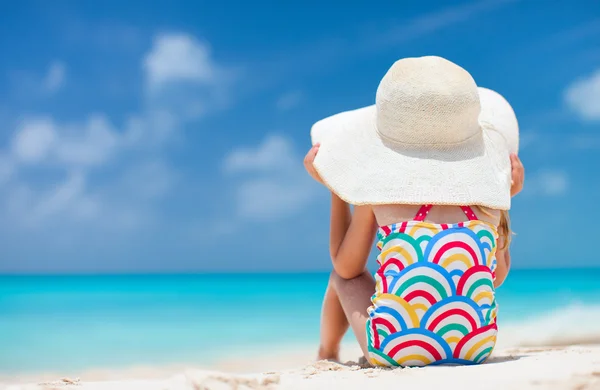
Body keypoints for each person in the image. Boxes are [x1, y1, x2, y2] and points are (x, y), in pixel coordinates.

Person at [303, 56, 524, 367]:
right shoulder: (486, 206)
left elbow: (346, 267)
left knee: (342, 280)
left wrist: (337, 188)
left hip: (393, 350)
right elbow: (495, 277)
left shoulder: (381, 195)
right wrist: (503, 199)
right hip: (477, 348)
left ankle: (327, 354)